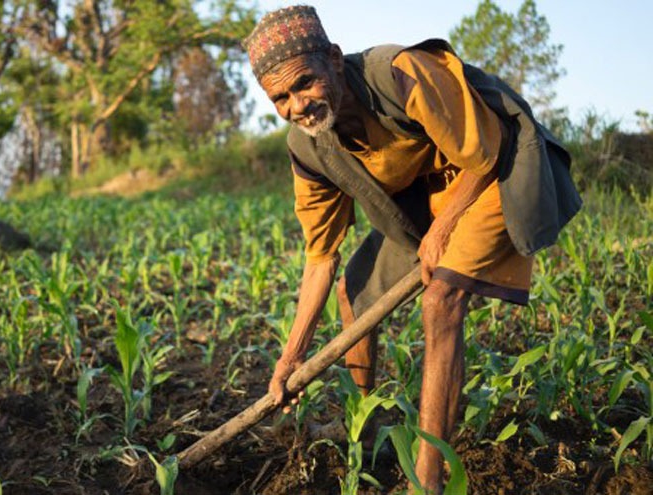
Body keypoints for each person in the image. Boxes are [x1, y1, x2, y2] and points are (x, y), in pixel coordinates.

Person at [243, 5, 581, 492]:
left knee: (442, 298)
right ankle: (367, 423)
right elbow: (320, 257)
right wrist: (291, 357)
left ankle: (428, 477)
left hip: (490, 172)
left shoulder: (400, 73)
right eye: (281, 98)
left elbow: (487, 150)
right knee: (352, 290)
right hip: (424, 200)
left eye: (304, 84)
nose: (297, 105)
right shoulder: (308, 147)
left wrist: (444, 228)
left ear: (334, 60)